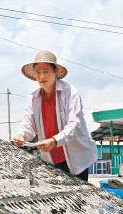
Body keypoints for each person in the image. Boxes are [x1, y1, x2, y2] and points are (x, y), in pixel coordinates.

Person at [13, 50, 97, 181]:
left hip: (76, 158)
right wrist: (20, 135)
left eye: (45, 71)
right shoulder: (33, 98)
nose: (41, 77)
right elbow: (28, 125)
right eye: (38, 73)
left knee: (78, 198)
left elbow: (74, 125)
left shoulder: (69, 92)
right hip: (51, 160)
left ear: (55, 71)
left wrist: (54, 141)